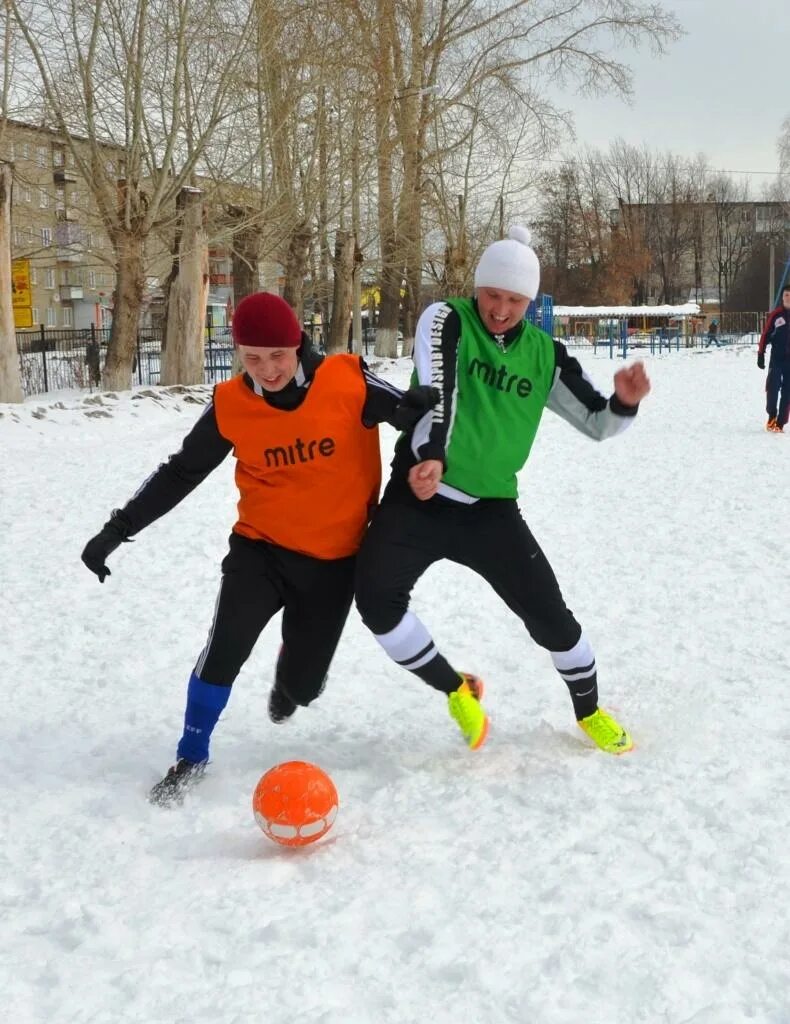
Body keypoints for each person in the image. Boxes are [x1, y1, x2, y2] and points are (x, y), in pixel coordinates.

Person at [81, 292, 438, 804]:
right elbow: (181, 472)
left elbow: (410, 413)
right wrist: (117, 529)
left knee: (303, 689)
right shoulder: (231, 404)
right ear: (237, 353)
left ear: (297, 345)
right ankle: (191, 755)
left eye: (277, 355)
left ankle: (291, 674)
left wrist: (416, 415)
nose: (266, 369)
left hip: (335, 562)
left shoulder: (345, 379)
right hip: (260, 551)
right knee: (224, 647)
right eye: (251, 357)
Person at [355, 225, 651, 755]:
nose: (500, 308)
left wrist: (623, 403)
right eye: (493, 294)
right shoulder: (447, 318)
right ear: (478, 288)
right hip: (419, 496)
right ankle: (454, 688)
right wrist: (432, 457)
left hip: (490, 512)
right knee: (376, 601)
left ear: (530, 301)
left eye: (514, 300)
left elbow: (597, 424)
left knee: (551, 618)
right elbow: (437, 393)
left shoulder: (545, 356)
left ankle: (590, 711)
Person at [757, 284, 790, 432]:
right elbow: (765, 334)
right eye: (786, 295)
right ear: (782, 297)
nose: (788, 298)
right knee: (772, 387)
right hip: (776, 359)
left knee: (787, 392)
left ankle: (780, 423)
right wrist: (760, 354)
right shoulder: (776, 315)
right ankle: (771, 416)